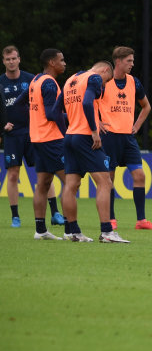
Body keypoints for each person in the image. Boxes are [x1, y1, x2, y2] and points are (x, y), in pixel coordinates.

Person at [61, 61, 128, 243]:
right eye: (107, 81)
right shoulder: (95, 78)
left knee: (71, 184)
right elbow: (88, 102)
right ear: (105, 70)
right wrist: (93, 129)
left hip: (69, 136)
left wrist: (75, 121)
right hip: (85, 137)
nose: (104, 85)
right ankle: (107, 231)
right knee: (105, 182)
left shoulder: (70, 80)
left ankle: (73, 231)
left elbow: (54, 112)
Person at [98, 46, 152, 231]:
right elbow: (90, 103)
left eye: (133, 61)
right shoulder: (103, 82)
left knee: (139, 175)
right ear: (118, 62)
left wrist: (136, 126)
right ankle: (110, 219)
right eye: (129, 61)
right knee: (109, 178)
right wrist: (97, 122)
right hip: (109, 137)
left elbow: (146, 106)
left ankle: (141, 220)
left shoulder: (134, 82)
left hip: (127, 137)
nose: (132, 64)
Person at [2, 45, 64, 228]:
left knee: (46, 173)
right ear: (3, 61)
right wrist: (2, 125)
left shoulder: (32, 79)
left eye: (14, 58)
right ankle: (15, 216)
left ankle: (55, 213)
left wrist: (33, 118)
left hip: (33, 133)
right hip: (12, 135)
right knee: (13, 174)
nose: (11, 62)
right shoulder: (0, 83)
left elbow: (29, 105)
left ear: (19, 59)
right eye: (7, 59)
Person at [28, 49, 73, 240]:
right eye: (61, 60)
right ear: (51, 63)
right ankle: (71, 231)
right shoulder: (48, 83)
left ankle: (40, 230)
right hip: (51, 139)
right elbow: (51, 113)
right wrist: (72, 118)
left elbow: (23, 103)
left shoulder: (35, 80)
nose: (64, 63)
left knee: (43, 184)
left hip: (37, 138)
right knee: (70, 182)